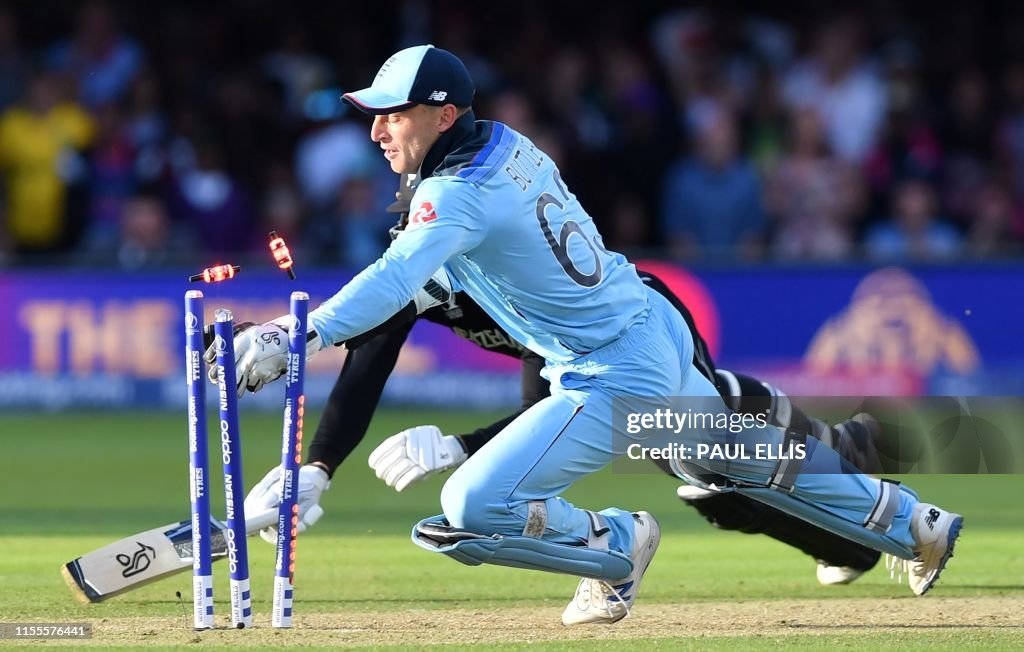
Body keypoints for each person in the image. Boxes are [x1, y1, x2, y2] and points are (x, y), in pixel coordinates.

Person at [215, 45, 962, 625]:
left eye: (396, 113)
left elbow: (394, 277)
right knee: (745, 465)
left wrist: (291, 337)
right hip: (649, 326)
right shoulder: (503, 143)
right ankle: (917, 524)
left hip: (612, 372)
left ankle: (611, 544)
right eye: (375, 113)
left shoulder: (458, 193)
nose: (377, 129)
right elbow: (419, 282)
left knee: (474, 506)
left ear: (444, 117)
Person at [239, 174, 882, 587]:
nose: (412, 251)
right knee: (707, 450)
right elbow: (364, 373)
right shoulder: (415, 279)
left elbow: (553, 404)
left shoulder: (509, 274)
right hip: (583, 365)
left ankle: (850, 510)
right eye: (404, 239)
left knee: (705, 464)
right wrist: (314, 470)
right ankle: (844, 474)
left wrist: (464, 447)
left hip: (637, 330)